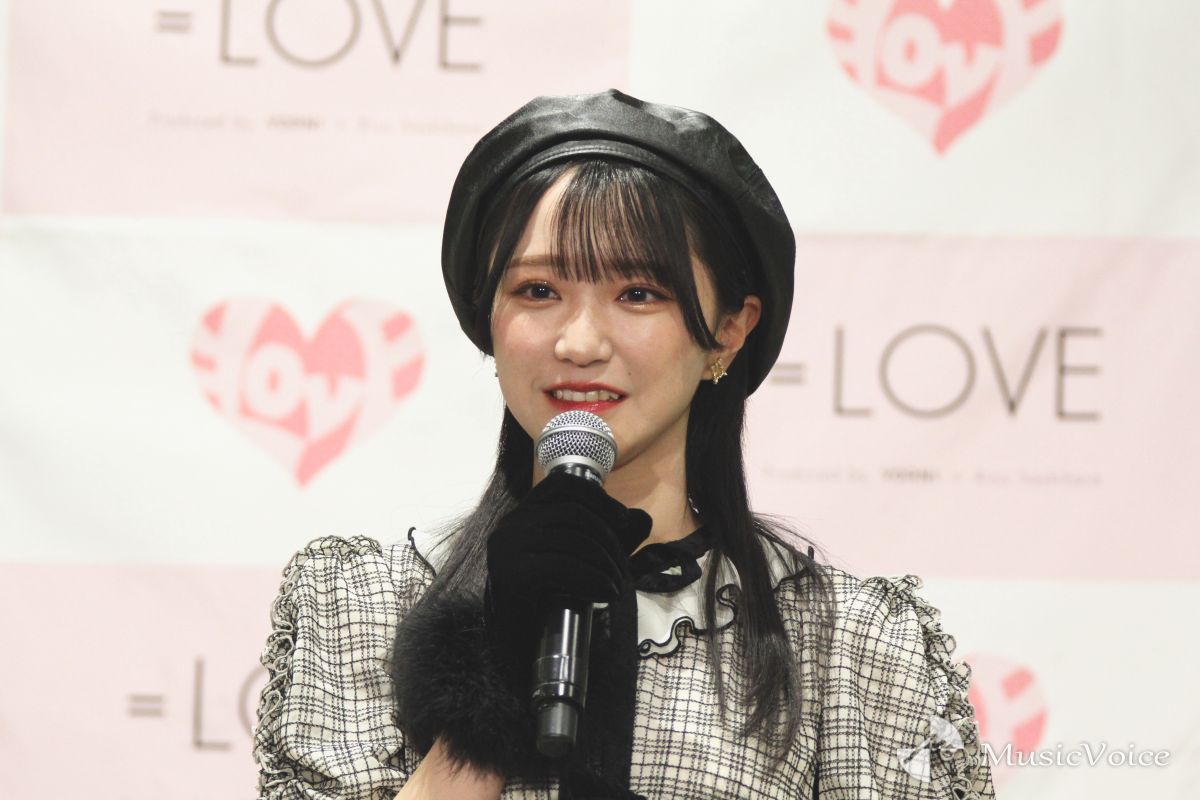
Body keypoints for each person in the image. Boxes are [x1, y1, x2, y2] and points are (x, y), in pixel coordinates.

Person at [252, 89, 996, 800]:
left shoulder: (848, 647)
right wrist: (494, 673)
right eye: (538, 291)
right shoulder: (363, 607)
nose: (579, 343)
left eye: (638, 294)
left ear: (728, 331)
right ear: (490, 316)